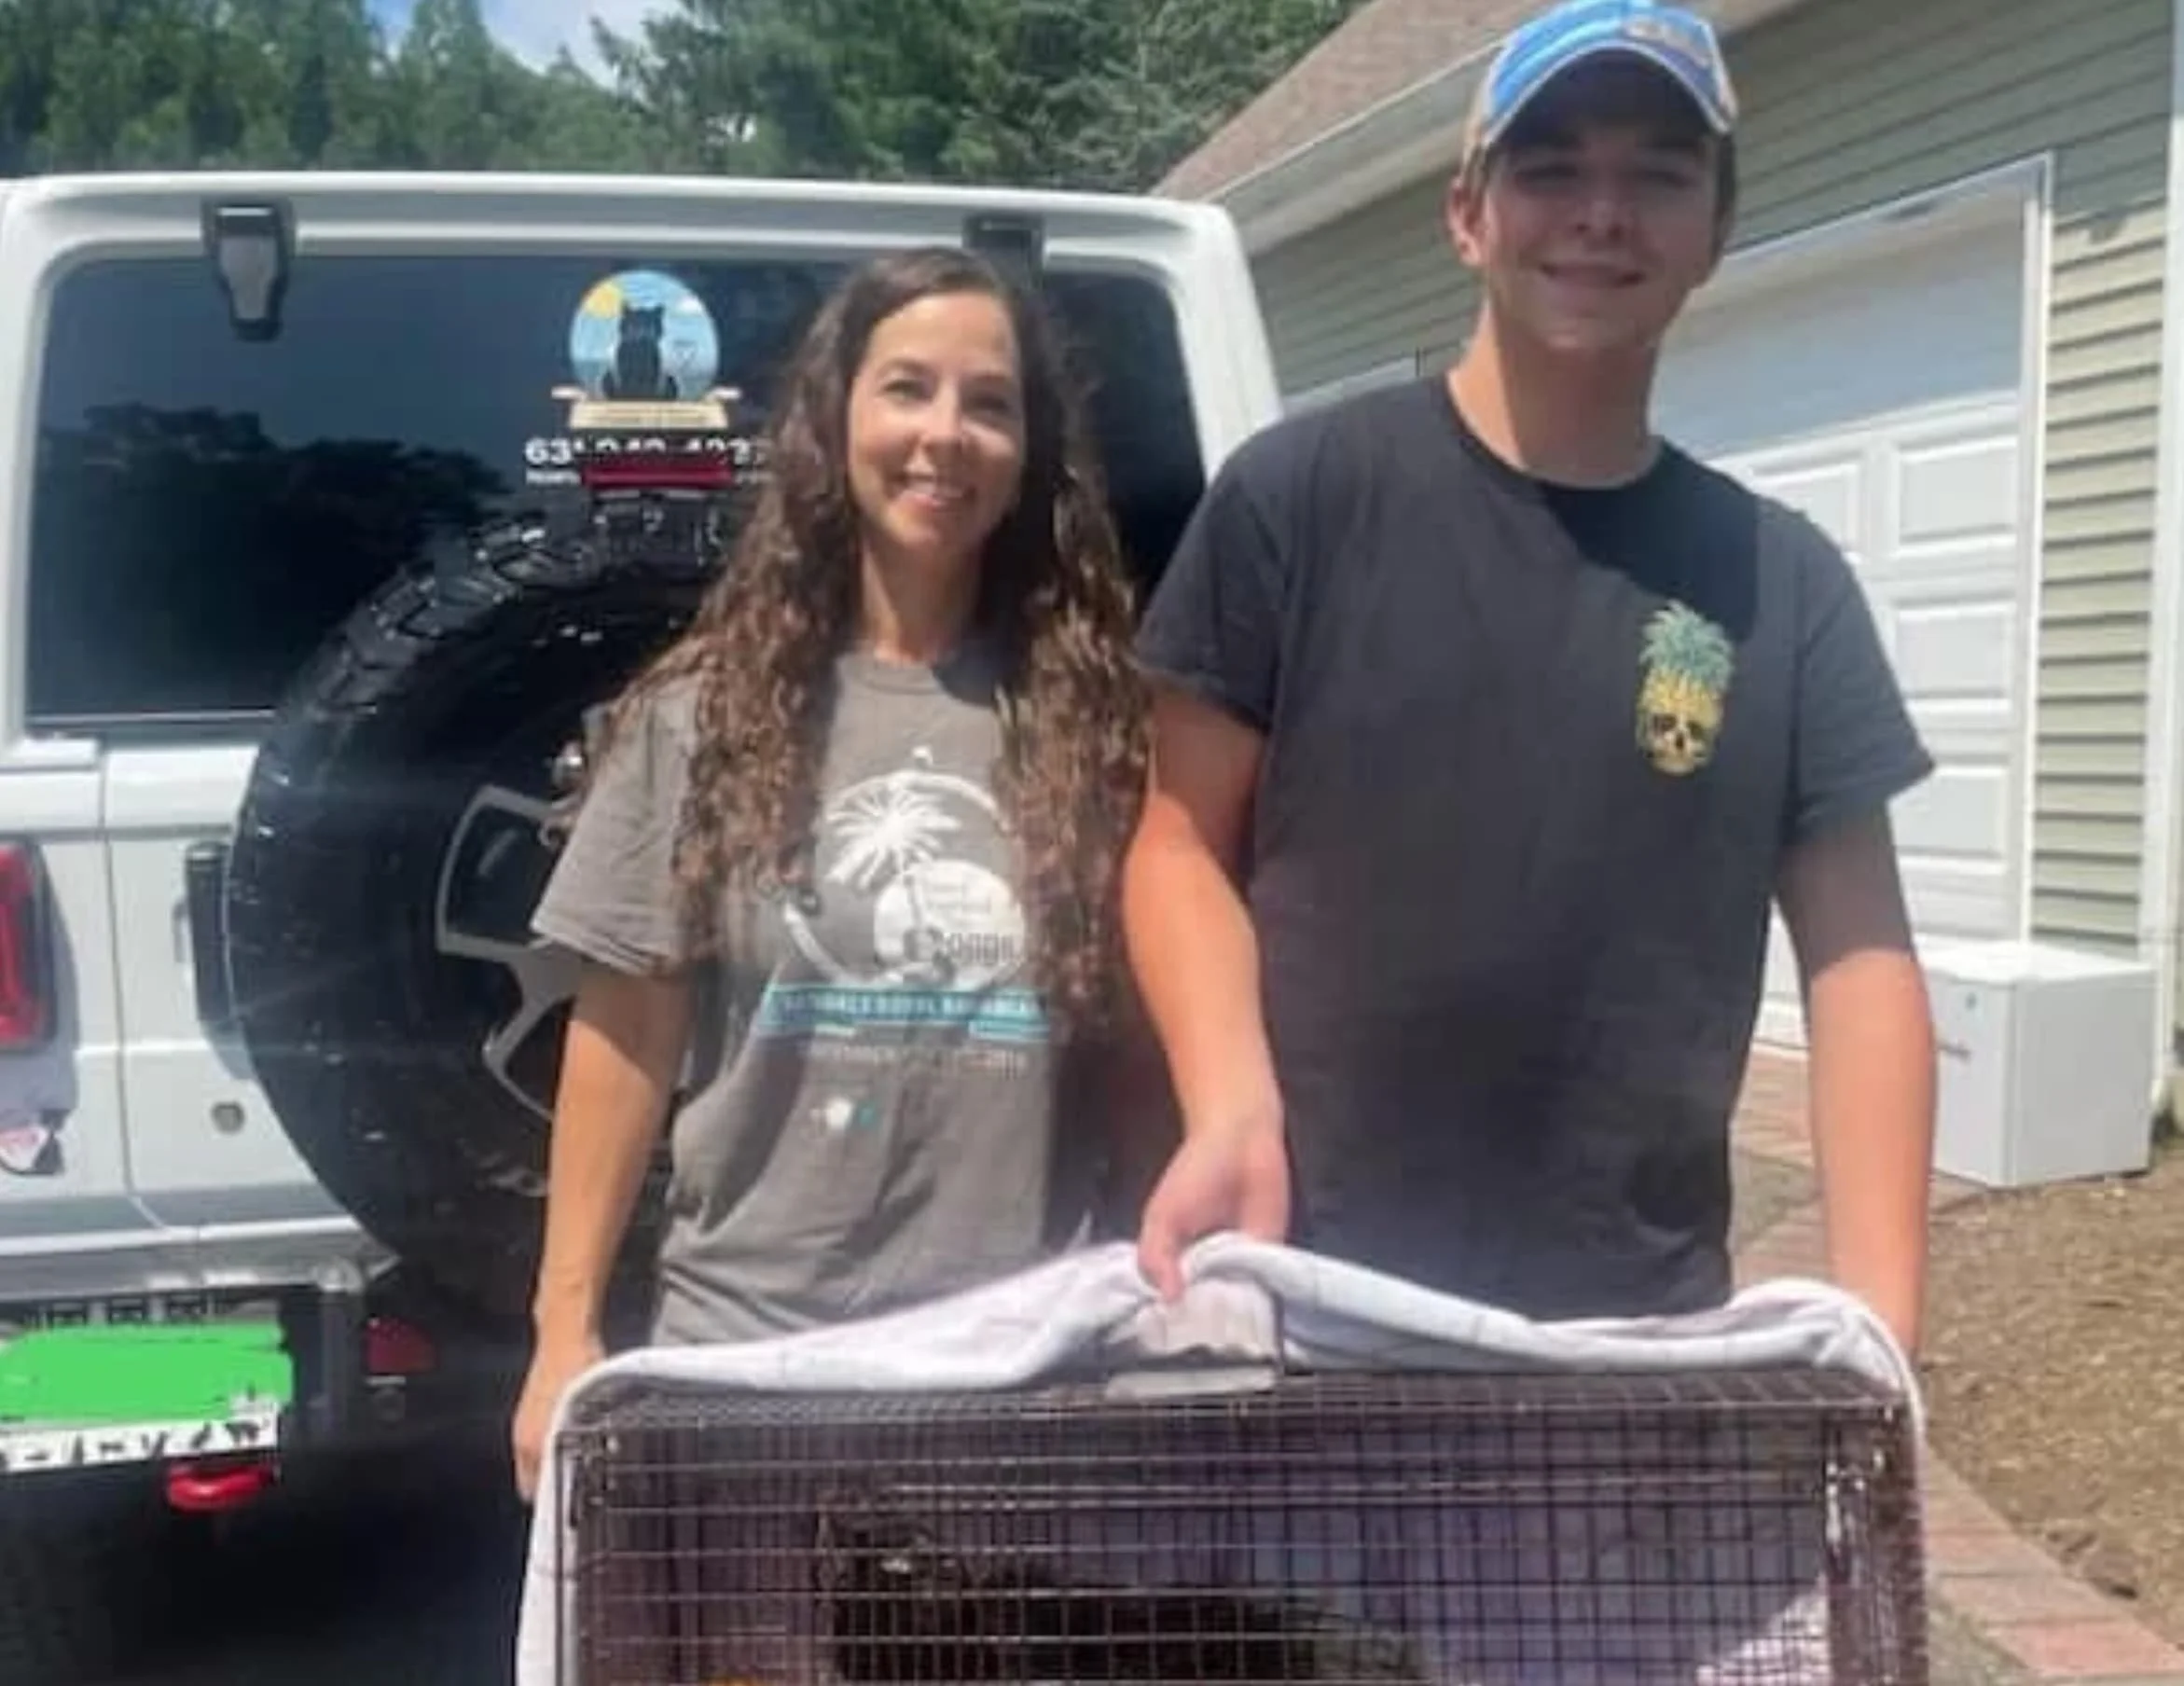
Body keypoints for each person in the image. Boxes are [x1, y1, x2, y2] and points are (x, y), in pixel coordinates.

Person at [1123, 0, 1938, 1354]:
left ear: (1715, 233)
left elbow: (1858, 957)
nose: (1599, 213)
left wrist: (1881, 1325)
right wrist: (1226, 1104)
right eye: (1550, 166)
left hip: (1628, 1333)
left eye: (1656, 174)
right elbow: (1171, 842)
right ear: (1466, 214)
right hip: (1303, 1291)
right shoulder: (1300, 499)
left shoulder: (1780, 584)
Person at [508, 246, 1150, 1499]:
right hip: (746, 1365)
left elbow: (1137, 1036)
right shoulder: (702, 713)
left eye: (990, 403)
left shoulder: (1099, 723)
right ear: (836, 418)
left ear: (1030, 453)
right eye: (906, 388)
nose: (943, 436)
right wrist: (560, 1338)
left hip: (1011, 1365)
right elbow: (626, 1034)